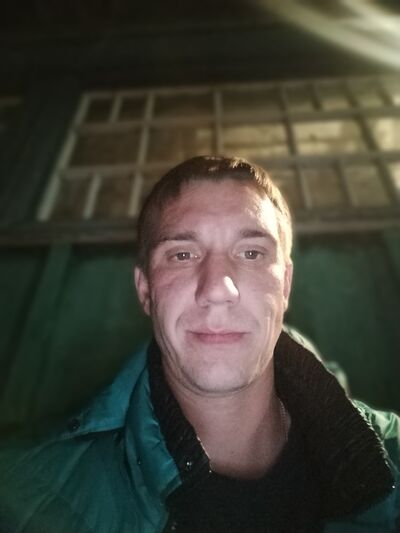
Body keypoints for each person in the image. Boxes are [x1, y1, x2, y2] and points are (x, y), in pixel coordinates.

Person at [0, 156, 399, 532]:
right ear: (145, 290)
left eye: (251, 253)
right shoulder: (21, 496)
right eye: (182, 254)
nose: (218, 289)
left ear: (286, 286)